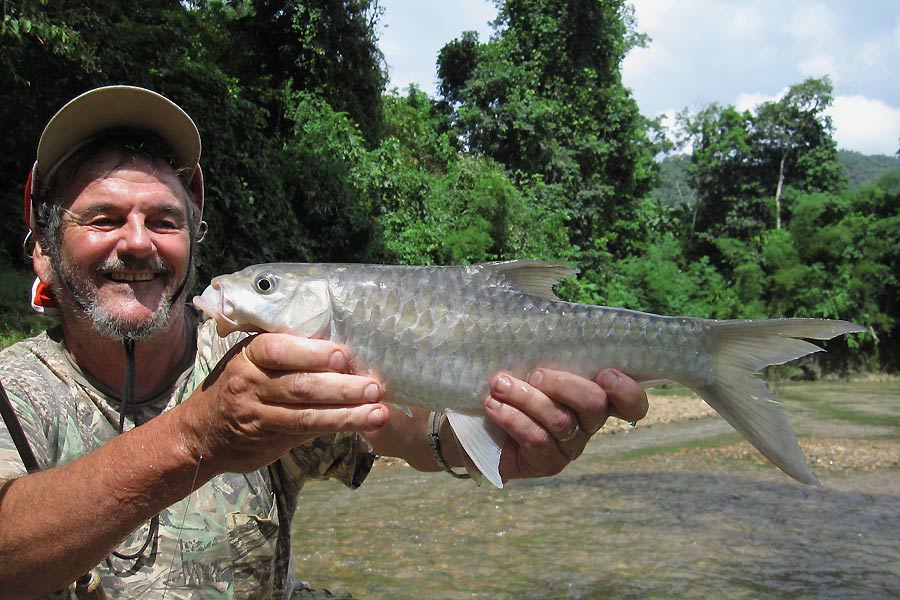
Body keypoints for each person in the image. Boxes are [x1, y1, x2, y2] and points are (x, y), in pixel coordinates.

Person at [0, 85, 649, 599]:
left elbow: (404, 433)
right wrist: (196, 436)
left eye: (164, 220)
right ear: (43, 254)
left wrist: (505, 439)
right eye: (104, 218)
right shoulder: (15, 390)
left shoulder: (252, 364)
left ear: (191, 240)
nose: (138, 241)